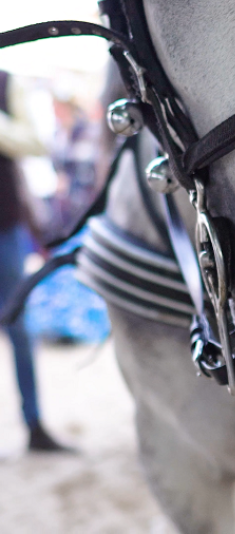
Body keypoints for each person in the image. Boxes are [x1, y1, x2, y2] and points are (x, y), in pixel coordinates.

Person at [0, 69, 72, 452]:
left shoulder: (5, 82)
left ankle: (34, 425)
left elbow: (35, 143)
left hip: (4, 226)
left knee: (19, 326)